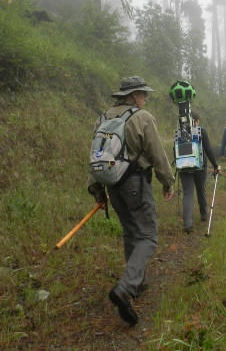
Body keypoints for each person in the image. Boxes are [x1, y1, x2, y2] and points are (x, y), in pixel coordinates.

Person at [87, 76, 175, 326]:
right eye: (143, 94)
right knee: (148, 236)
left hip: (113, 184)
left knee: (130, 232)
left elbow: (98, 154)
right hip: (136, 183)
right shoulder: (142, 117)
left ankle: (138, 282)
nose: (146, 98)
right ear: (134, 95)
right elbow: (157, 153)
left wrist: (96, 189)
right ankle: (126, 287)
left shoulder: (103, 118)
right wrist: (167, 181)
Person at [179, 112, 221, 233]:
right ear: (196, 120)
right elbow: (208, 149)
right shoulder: (201, 131)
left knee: (187, 194)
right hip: (200, 167)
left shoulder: (180, 131)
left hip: (184, 166)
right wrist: (215, 165)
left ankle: (187, 224)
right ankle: (203, 214)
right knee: (200, 190)